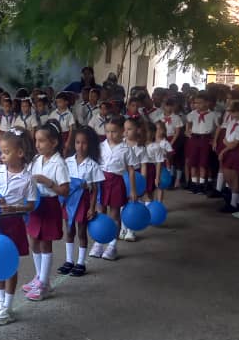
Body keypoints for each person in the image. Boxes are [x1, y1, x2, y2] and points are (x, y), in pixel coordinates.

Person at [0, 129, 37, 326]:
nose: (1, 155)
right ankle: (0, 300)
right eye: (1, 151)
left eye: (6, 152)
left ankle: (8, 305)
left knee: (11, 264)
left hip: (13, 222)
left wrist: (14, 207)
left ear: (20, 154)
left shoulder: (27, 178)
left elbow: (31, 205)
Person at [23, 124, 69, 301]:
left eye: (42, 141)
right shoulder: (36, 159)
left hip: (49, 204)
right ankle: (39, 276)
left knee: (44, 243)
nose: (38, 144)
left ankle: (44, 283)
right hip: (36, 204)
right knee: (33, 240)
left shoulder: (59, 163)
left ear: (54, 142)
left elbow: (64, 190)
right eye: (36, 140)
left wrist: (48, 182)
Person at [58, 126, 103, 277]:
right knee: (69, 230)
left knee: (82, 232)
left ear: (89, 145)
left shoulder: (93, 165)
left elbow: (95, 189)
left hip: (83, 201)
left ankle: (81, 262)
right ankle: (69, 260)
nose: (80, 146)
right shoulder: (67, 162)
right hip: (69, 200)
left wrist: (92, 207)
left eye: (84, 143)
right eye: (77, 142)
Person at [90, 117, 137, 259]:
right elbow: (94, 166)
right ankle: (98, 242)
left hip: (117, 182)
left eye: (114, 131)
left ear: (122, 131)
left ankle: (112, 246)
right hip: (101, 182)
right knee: (100, 212)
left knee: (115, 215)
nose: (110, 135)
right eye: (108, 131)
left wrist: (133, 190)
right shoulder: (100, 146)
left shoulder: (126, 149)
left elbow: (131, 170)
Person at [185, 93, 219, 194]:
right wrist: (187, 131)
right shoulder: (192, 114)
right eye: (196, 103)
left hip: (205, 138)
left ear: (207, 103)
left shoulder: (213, 115)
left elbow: (218, 127)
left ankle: (202, 184)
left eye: (200, 103)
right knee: (193, 162)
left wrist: (215, 139)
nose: (197, 105)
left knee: (203, 163)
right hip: (195, 138)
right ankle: (194, 184)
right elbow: (188, 122)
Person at [145, 121, 173, 203]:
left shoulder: (157, 145)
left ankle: (158, 204)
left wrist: (157, 177)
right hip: (145, 169)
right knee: (147, 190)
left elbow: (160, 161)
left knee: (157, 187)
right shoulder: (142, 145)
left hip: (155, 168)